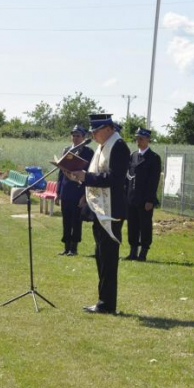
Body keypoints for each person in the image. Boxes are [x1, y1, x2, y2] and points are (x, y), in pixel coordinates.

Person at [66, 113, 130, 314]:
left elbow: (114, 178)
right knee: (100, 256)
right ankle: (103, 300)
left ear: (109, 129)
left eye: (96, 131)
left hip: (112, 210)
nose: (93, 135)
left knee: (108, 258)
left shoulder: (118, 147)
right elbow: (96, 175)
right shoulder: (102, 146)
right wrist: (80, 177)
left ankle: (107, 303)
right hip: (99, 208)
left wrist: (87, 177)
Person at [55, 125, 95, 256]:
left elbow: (89, 174)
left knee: (76, 220)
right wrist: (58, 193)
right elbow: (61, 174)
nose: (75, 138)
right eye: (73, 135)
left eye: (78, 135)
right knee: (66, 220)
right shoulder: (67, 150)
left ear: (84, 137)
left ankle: (74, 248)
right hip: (66, 190)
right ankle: (66, 246)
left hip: (78, 191)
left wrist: (84, 195)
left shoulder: (89, 152)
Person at [125, 127, 162, 261]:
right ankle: (133, 251)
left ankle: (143, 252)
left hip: (144, 199)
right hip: (132, 197)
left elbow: (154, 181)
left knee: (145, 226)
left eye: (141, 138)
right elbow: (128, 176)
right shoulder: (133, 155)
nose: (138, 141)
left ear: (148, 140)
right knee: (132, 225)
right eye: (137, 138)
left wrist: (150, 200)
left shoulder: (153, 158)